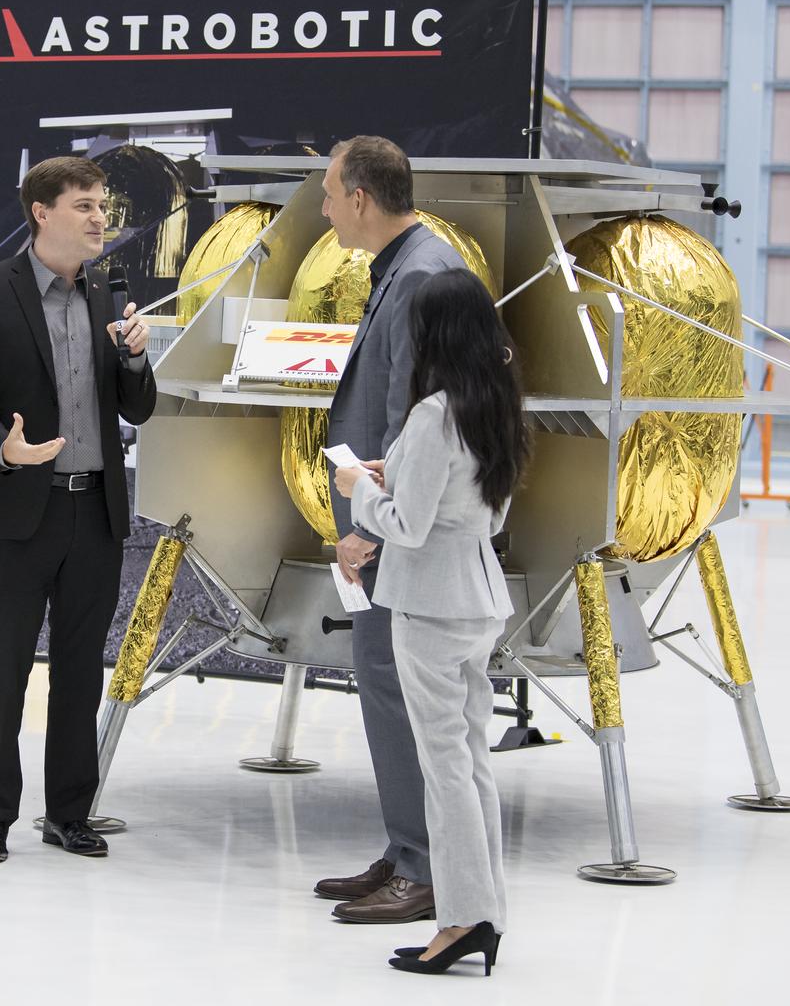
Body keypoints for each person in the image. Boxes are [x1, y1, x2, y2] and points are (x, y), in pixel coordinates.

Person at [0, 156, 155, 864]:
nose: (101, 218)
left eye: (102, 205)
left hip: (94, 509)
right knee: (6, 664)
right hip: (18, 508)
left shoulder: (106, 294)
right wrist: (2, 449)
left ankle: (69, 812)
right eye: (85, 205)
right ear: (42, 212)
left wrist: (136, 360)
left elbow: (137, 408)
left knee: (80, 667)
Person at [334, 268, 528, 976]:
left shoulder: (431, 415)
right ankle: (483, 912)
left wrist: (359, 491)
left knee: (444, 768)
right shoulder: (495, 404)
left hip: (429, 603)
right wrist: (395, 474)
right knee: (470, 763)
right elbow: (484, 513)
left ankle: (461, 919)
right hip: (479, 598)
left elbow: (407, 526)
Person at [317, 136, 469, 923]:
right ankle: (406, 847)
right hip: (391, 524)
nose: (324, 210)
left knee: (395, 684)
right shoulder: (408, 267)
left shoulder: (418, 276)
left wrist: (371, 527)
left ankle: (424, 864)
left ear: (361, 199)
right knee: (384, 681)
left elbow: (413, 422)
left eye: (329, 194)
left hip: (400, 537)